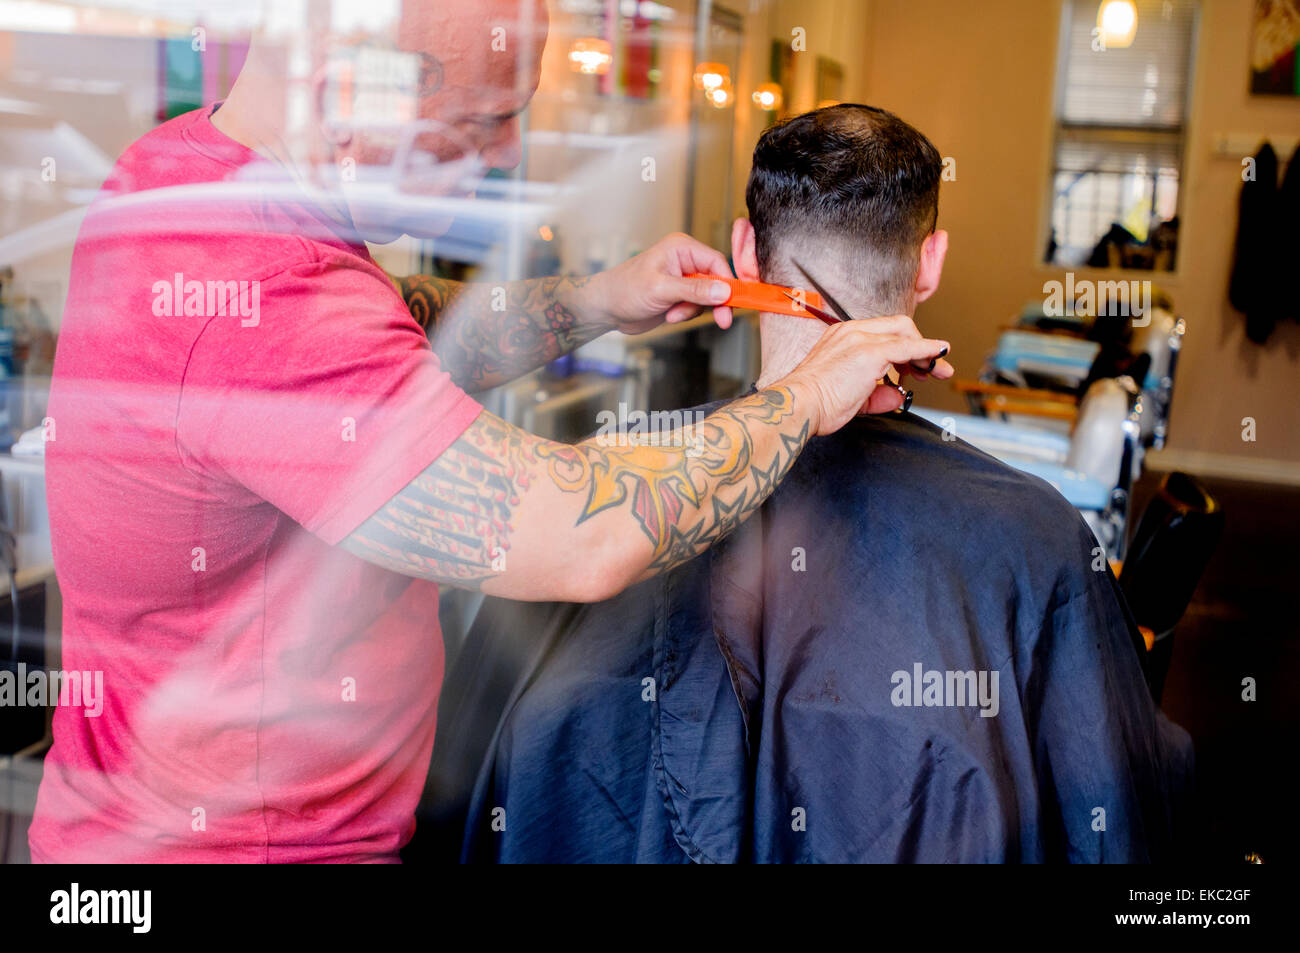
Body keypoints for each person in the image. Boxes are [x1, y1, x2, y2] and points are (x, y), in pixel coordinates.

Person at [28, 7, 954, 863]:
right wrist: (802, 396)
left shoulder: (183, 173)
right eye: (483, 122)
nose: (509, 156)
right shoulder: (260, 297)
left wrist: (596, 300)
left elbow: (383, 335)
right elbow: (580, 535)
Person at [423, 105, 1193, 863]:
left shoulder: (586, 487)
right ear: (931, 262)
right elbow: (1121, 834)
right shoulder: (1039, 540)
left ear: (743, 254)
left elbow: (466, 798)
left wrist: (595, 298)